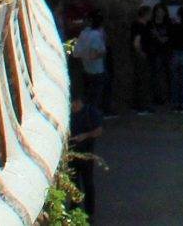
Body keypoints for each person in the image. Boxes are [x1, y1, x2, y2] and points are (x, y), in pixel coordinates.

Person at [67, 87, 102, 219]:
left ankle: (89, 212)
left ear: (78, 102)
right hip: (72, 155)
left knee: (88, 183)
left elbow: (99, 130)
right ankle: (75, 209)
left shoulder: (90, 112)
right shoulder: (69, 114)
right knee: (74, 183)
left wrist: (85, 136)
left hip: (86, 154)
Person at [73, 12, 113, 115]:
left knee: (88, 96)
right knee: (96, 97)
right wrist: (102, 53)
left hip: (86, 70)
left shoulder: (83, 34)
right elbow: (93, 55)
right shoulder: (96, 35)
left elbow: (76, 52)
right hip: (97, 71)